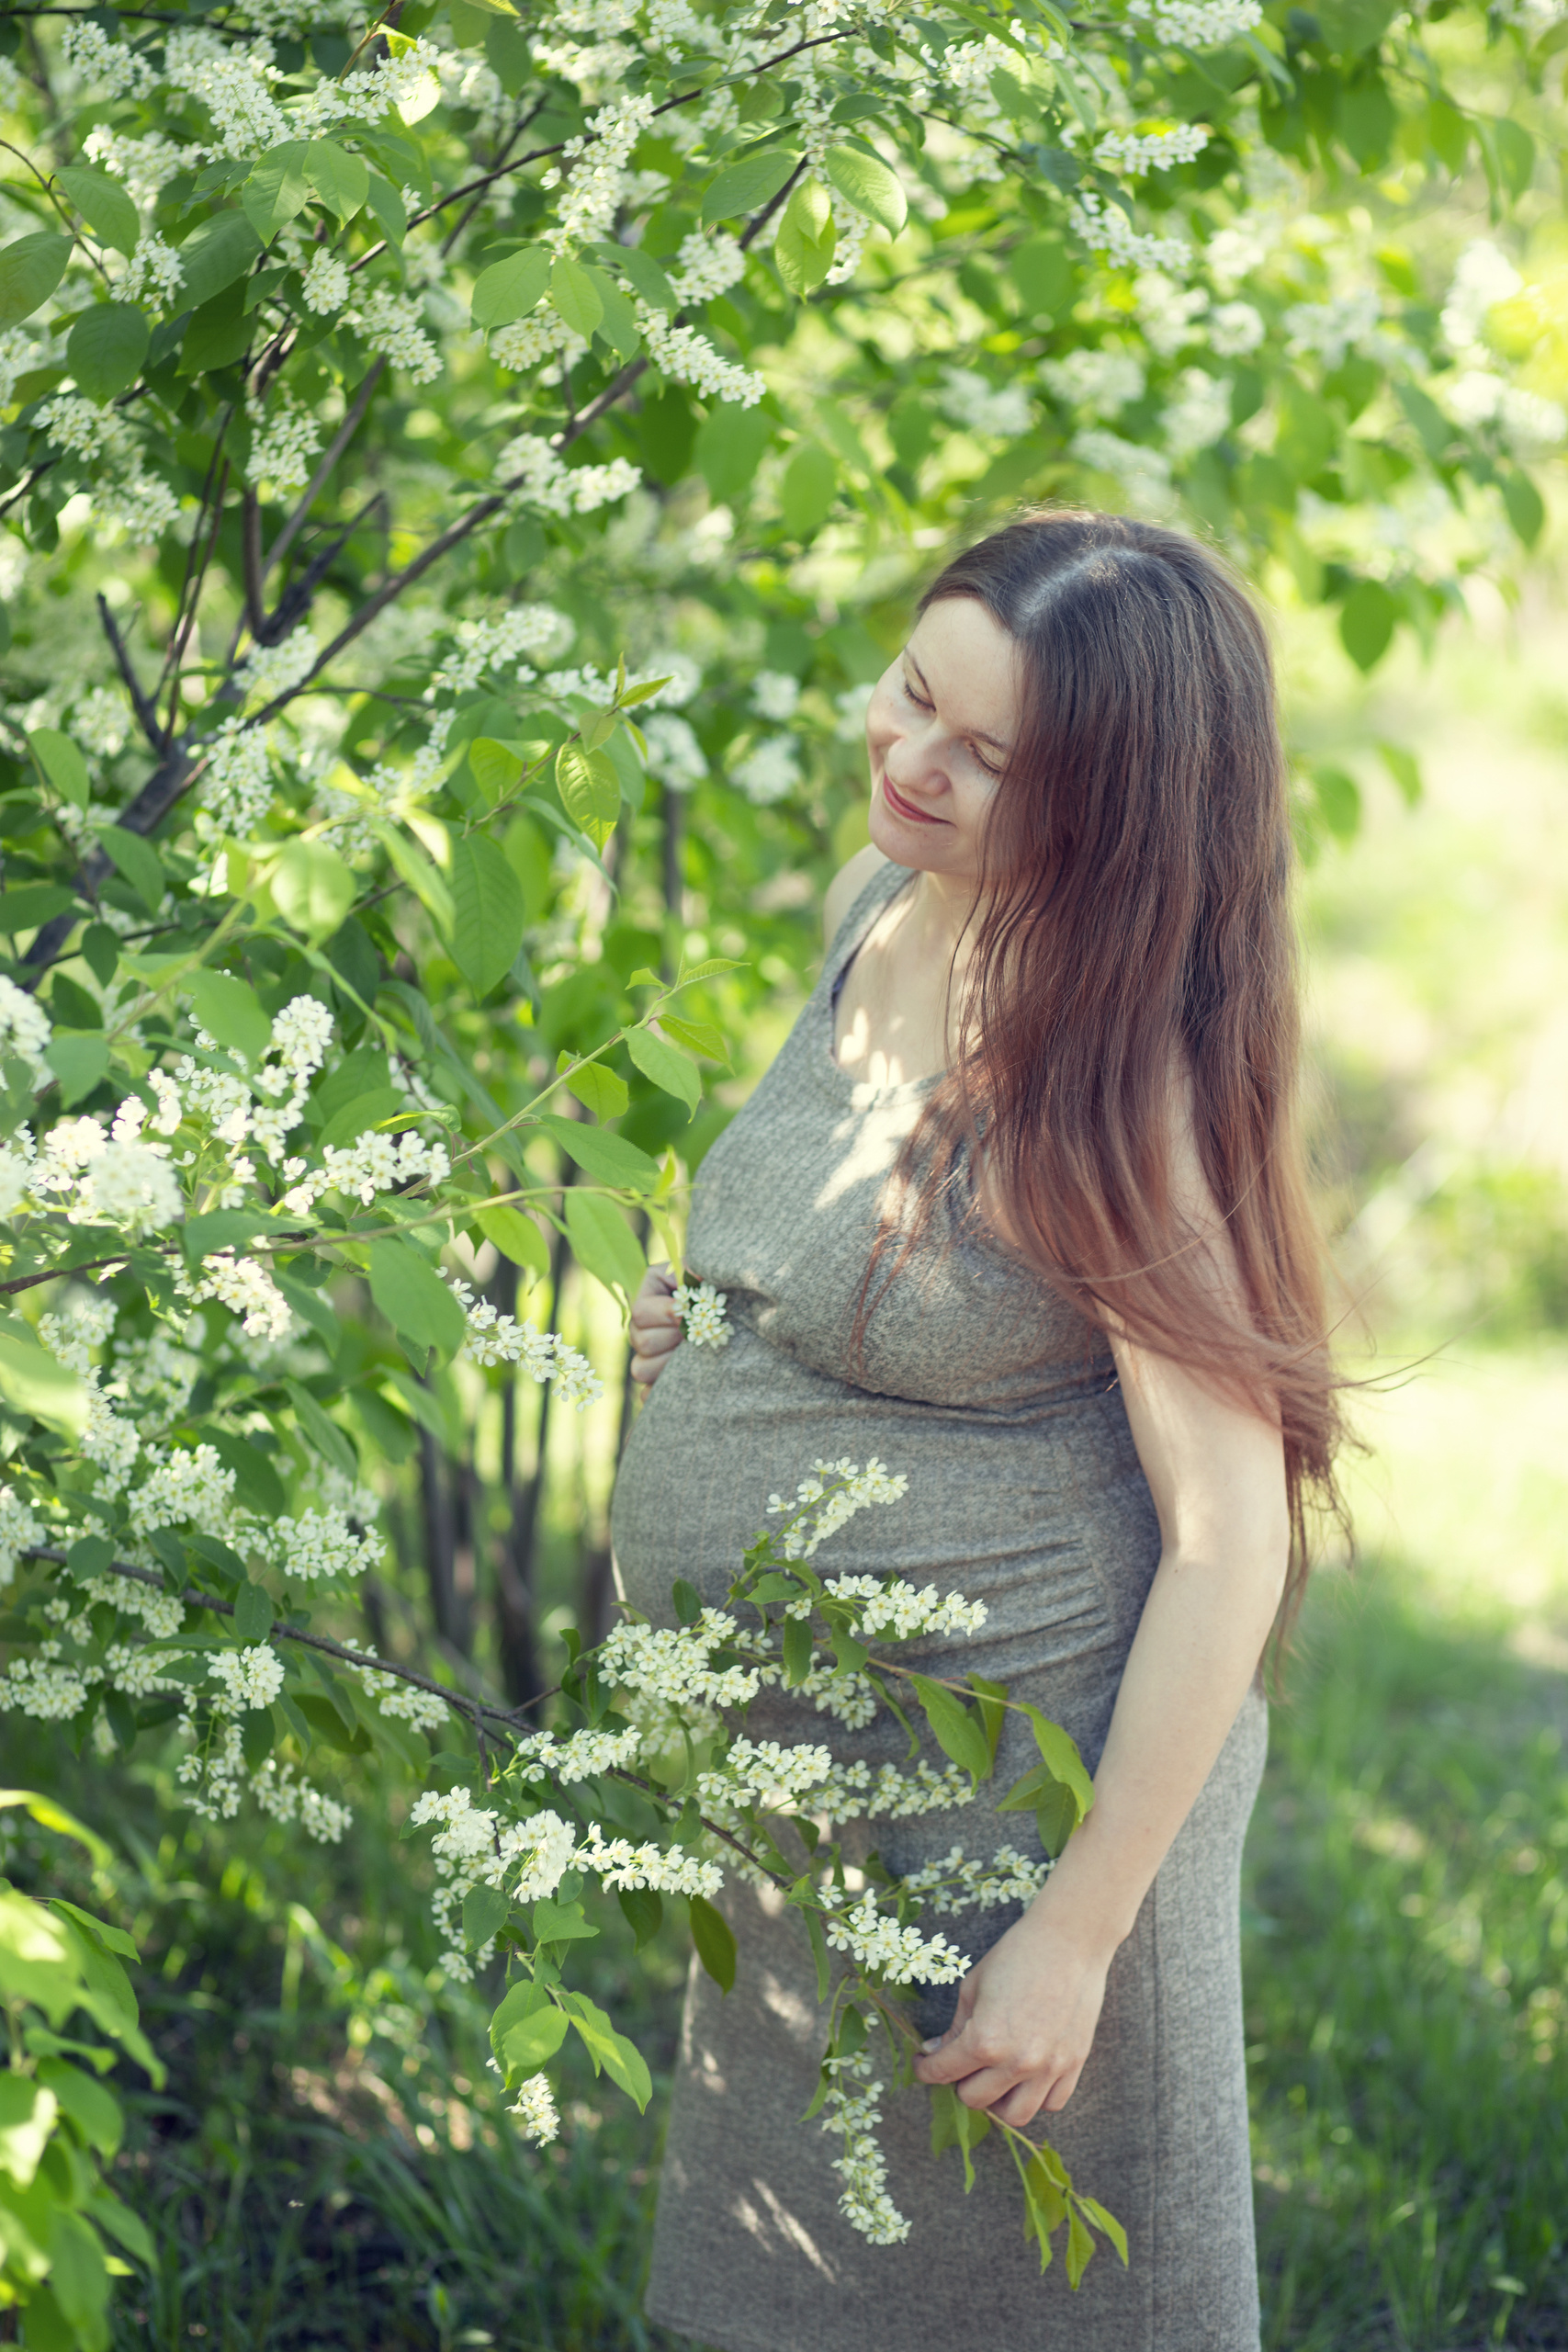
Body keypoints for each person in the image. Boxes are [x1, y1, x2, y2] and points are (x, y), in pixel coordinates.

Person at [610, 508, 1343, 2352]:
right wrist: (710, 1341)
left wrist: (1077, 1931)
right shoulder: (876, 902)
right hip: (819, 1824)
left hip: (1024, 1829)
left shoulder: (1117, 1077)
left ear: (1110, 812)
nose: (906, 757)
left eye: (982, 754)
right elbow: (855, 1240)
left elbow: (1226, 1537)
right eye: (908, 690)